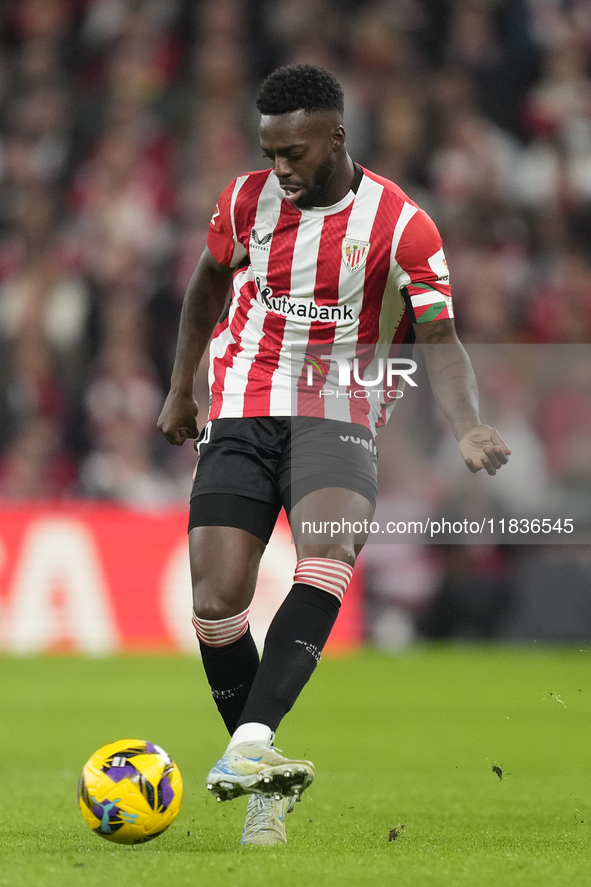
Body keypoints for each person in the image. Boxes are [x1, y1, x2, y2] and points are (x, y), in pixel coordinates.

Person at [157, 64, 511, 845]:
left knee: (330, 547)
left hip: (341, 399)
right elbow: (205, 288)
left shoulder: (401, 223)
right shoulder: (244, 200)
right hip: (247, 393)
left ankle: (248, 750)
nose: (279, 169)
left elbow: (440, 337)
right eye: (269, 152)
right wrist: (182, 387)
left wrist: (466, 424)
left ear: (336, 138)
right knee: (216, 605)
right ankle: (263, 777)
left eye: (294, 153)